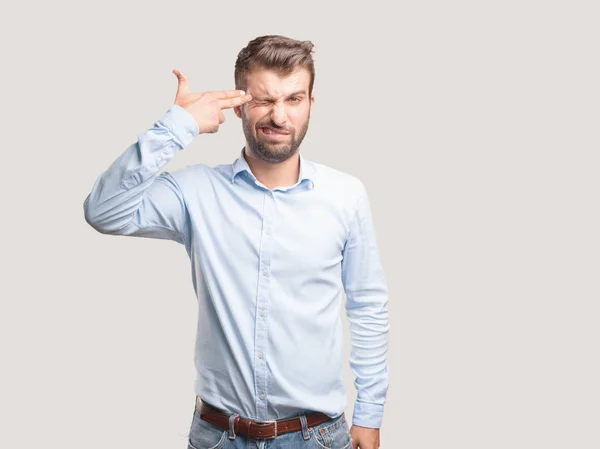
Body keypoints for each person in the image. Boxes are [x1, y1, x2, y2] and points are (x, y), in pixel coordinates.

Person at [83, 35, 388, 449]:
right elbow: (103, 211)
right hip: (218, 437)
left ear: (311, 105)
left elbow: (368, 306)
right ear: (240, 103)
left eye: (294, 99)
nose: (279, 116)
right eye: (264, 100)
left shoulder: (345, 196)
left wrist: (369, 415)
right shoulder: (196, 192)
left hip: (317, 437)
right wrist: (178, 125)